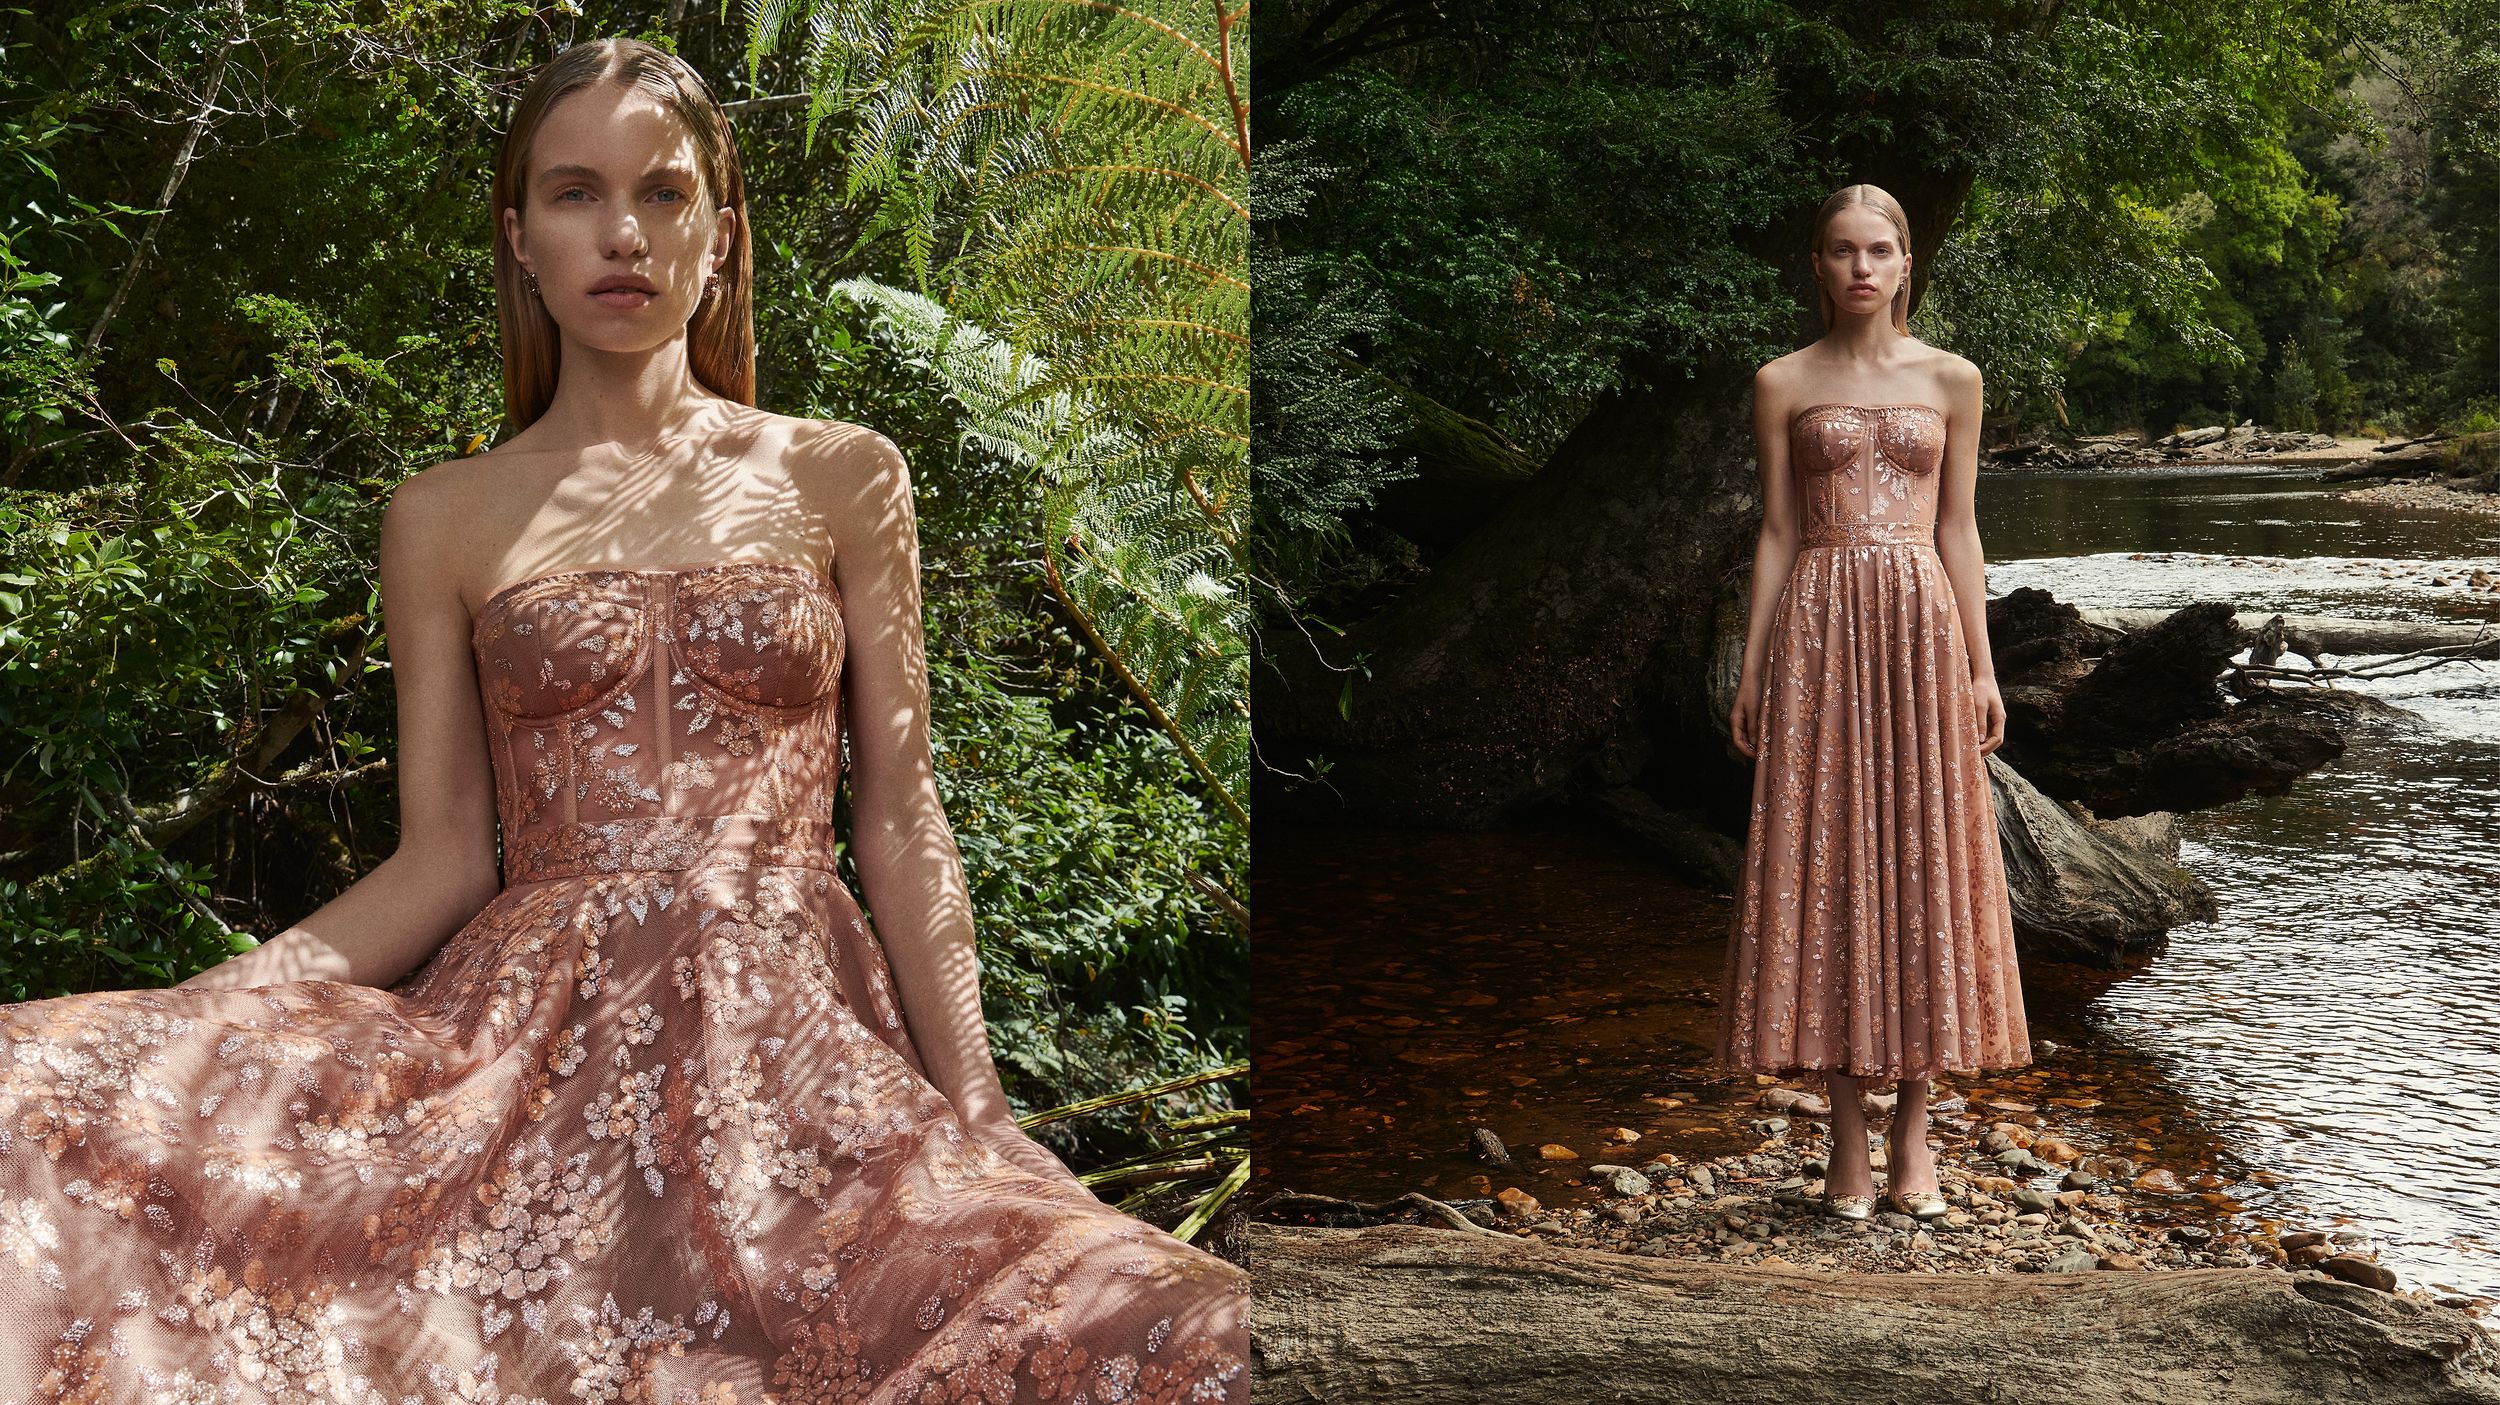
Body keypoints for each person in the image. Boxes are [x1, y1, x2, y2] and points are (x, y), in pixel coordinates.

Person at [0, 37, 1246, 1401]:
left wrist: (985, 1108)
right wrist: (203, 1009)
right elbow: (442, 862)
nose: (624, 235)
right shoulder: (442, 514)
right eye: (576, 193)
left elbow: (899, 816)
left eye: (663, 192)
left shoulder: (843, 475)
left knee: (1165, 1325)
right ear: (519, 236)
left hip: (798, 1048)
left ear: (723, 230)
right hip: (525, 1052)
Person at [1712, 183, 2033, 1224]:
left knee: (1923, 858)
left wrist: (1982, 668)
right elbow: (1774, 529)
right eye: (1843, 250)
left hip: (1919, 629)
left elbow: (1959, 529)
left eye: (1879, 250)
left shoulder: (1951, 377)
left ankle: (1915, 1134)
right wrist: (1753, 666)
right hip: (1818, 629)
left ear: (1905, 264)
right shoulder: (1781, 380)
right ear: (1817, 263)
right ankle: (1846, 1135)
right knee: (1828, 859)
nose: (1861, 267)